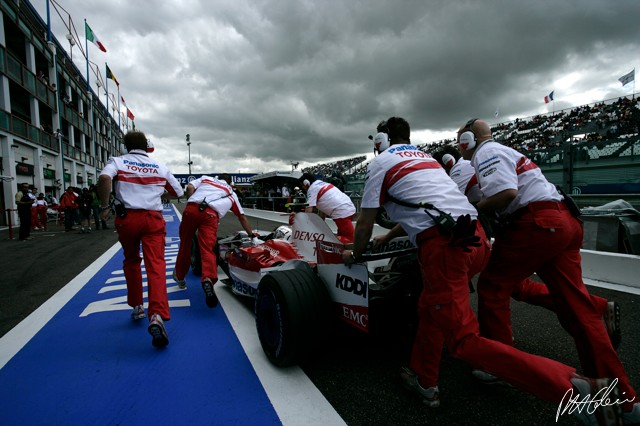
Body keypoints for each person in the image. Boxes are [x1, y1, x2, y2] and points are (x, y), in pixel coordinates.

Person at [341, 116, 624, 424]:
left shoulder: (381, 163)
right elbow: (442, 204)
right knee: (436, 305)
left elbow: (365, 222)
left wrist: (354, 253)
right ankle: (424, 379)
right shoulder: (428, 160)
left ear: (379, 142)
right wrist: (394, 234)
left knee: (463, 340)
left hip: (446, 247)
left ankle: (571, 388)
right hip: (478, 238)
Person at [456, 118, 638, 421]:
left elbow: (506, 194)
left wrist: (466, 213)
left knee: (492, 286)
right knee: (578, 308)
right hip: (563, 222)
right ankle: (621, 399)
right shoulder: (503, 151)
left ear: (467, 139)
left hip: (535, 223)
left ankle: (499, 364)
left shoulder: (485, 153)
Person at [98, 131, 184, 348]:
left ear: (126, 146)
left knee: (131, 261)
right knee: (155, 266)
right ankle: (157, 315)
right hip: (153, 219)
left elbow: (105, 178)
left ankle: (137, 306)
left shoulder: (117, 161)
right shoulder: (160, 166)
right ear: (146, 146)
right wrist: (159, 194)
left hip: (127, 219)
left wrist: (105, 206)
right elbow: (179, 192)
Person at [173, 173, 257, 308]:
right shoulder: (231, 193)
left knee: (185, 245)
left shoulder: (206, 178)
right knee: (207, 249)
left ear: (219, 178)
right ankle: (208, 278)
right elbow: (242, 217)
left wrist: (191, 201)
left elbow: (189, 188)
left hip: (192, 209)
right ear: (230, 183)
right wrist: (251, 234)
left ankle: (180, 277)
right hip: (211, 216)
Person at [300, 172, 356, 243]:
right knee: (342, 234)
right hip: (349, 208)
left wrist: (303, 227)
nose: (302, 187)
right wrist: (321, 224)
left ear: (306, 183)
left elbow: (308, 211)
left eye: (302, 185)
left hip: (342, 213)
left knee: (349, 239)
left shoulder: (312, 189)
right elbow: (323, 209)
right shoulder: (322, 183)